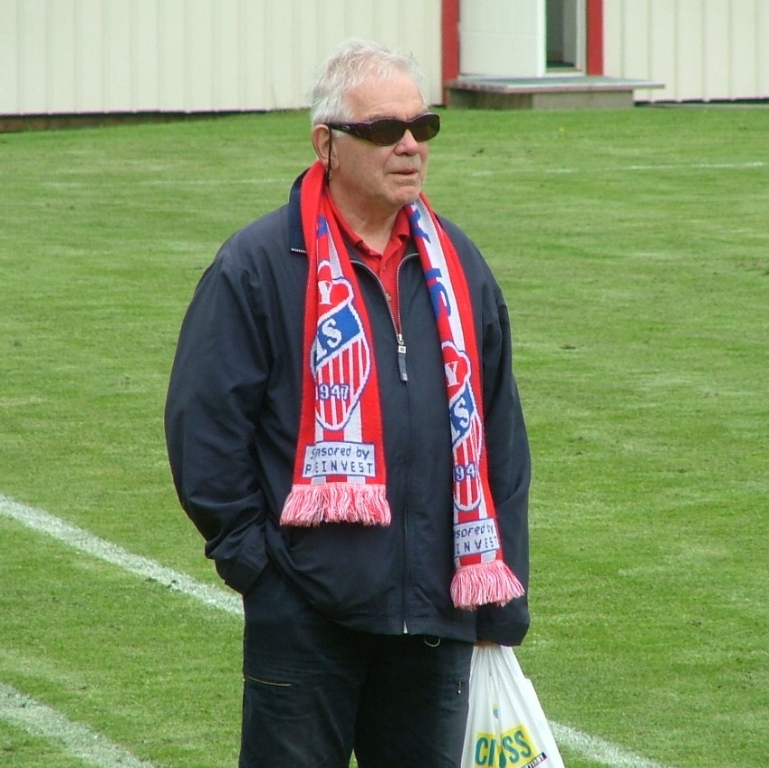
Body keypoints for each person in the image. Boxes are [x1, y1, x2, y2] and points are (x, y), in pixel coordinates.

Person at [164, 39, 531, 768]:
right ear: (326, 144)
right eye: (385, 129)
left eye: (422, 126)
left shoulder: (458, 264)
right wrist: (262, 573)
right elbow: (205, 430)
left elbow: (500, 436)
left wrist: (500, 593)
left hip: (437, 616)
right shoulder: (258, 265)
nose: (409, 146)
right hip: (304, 616)